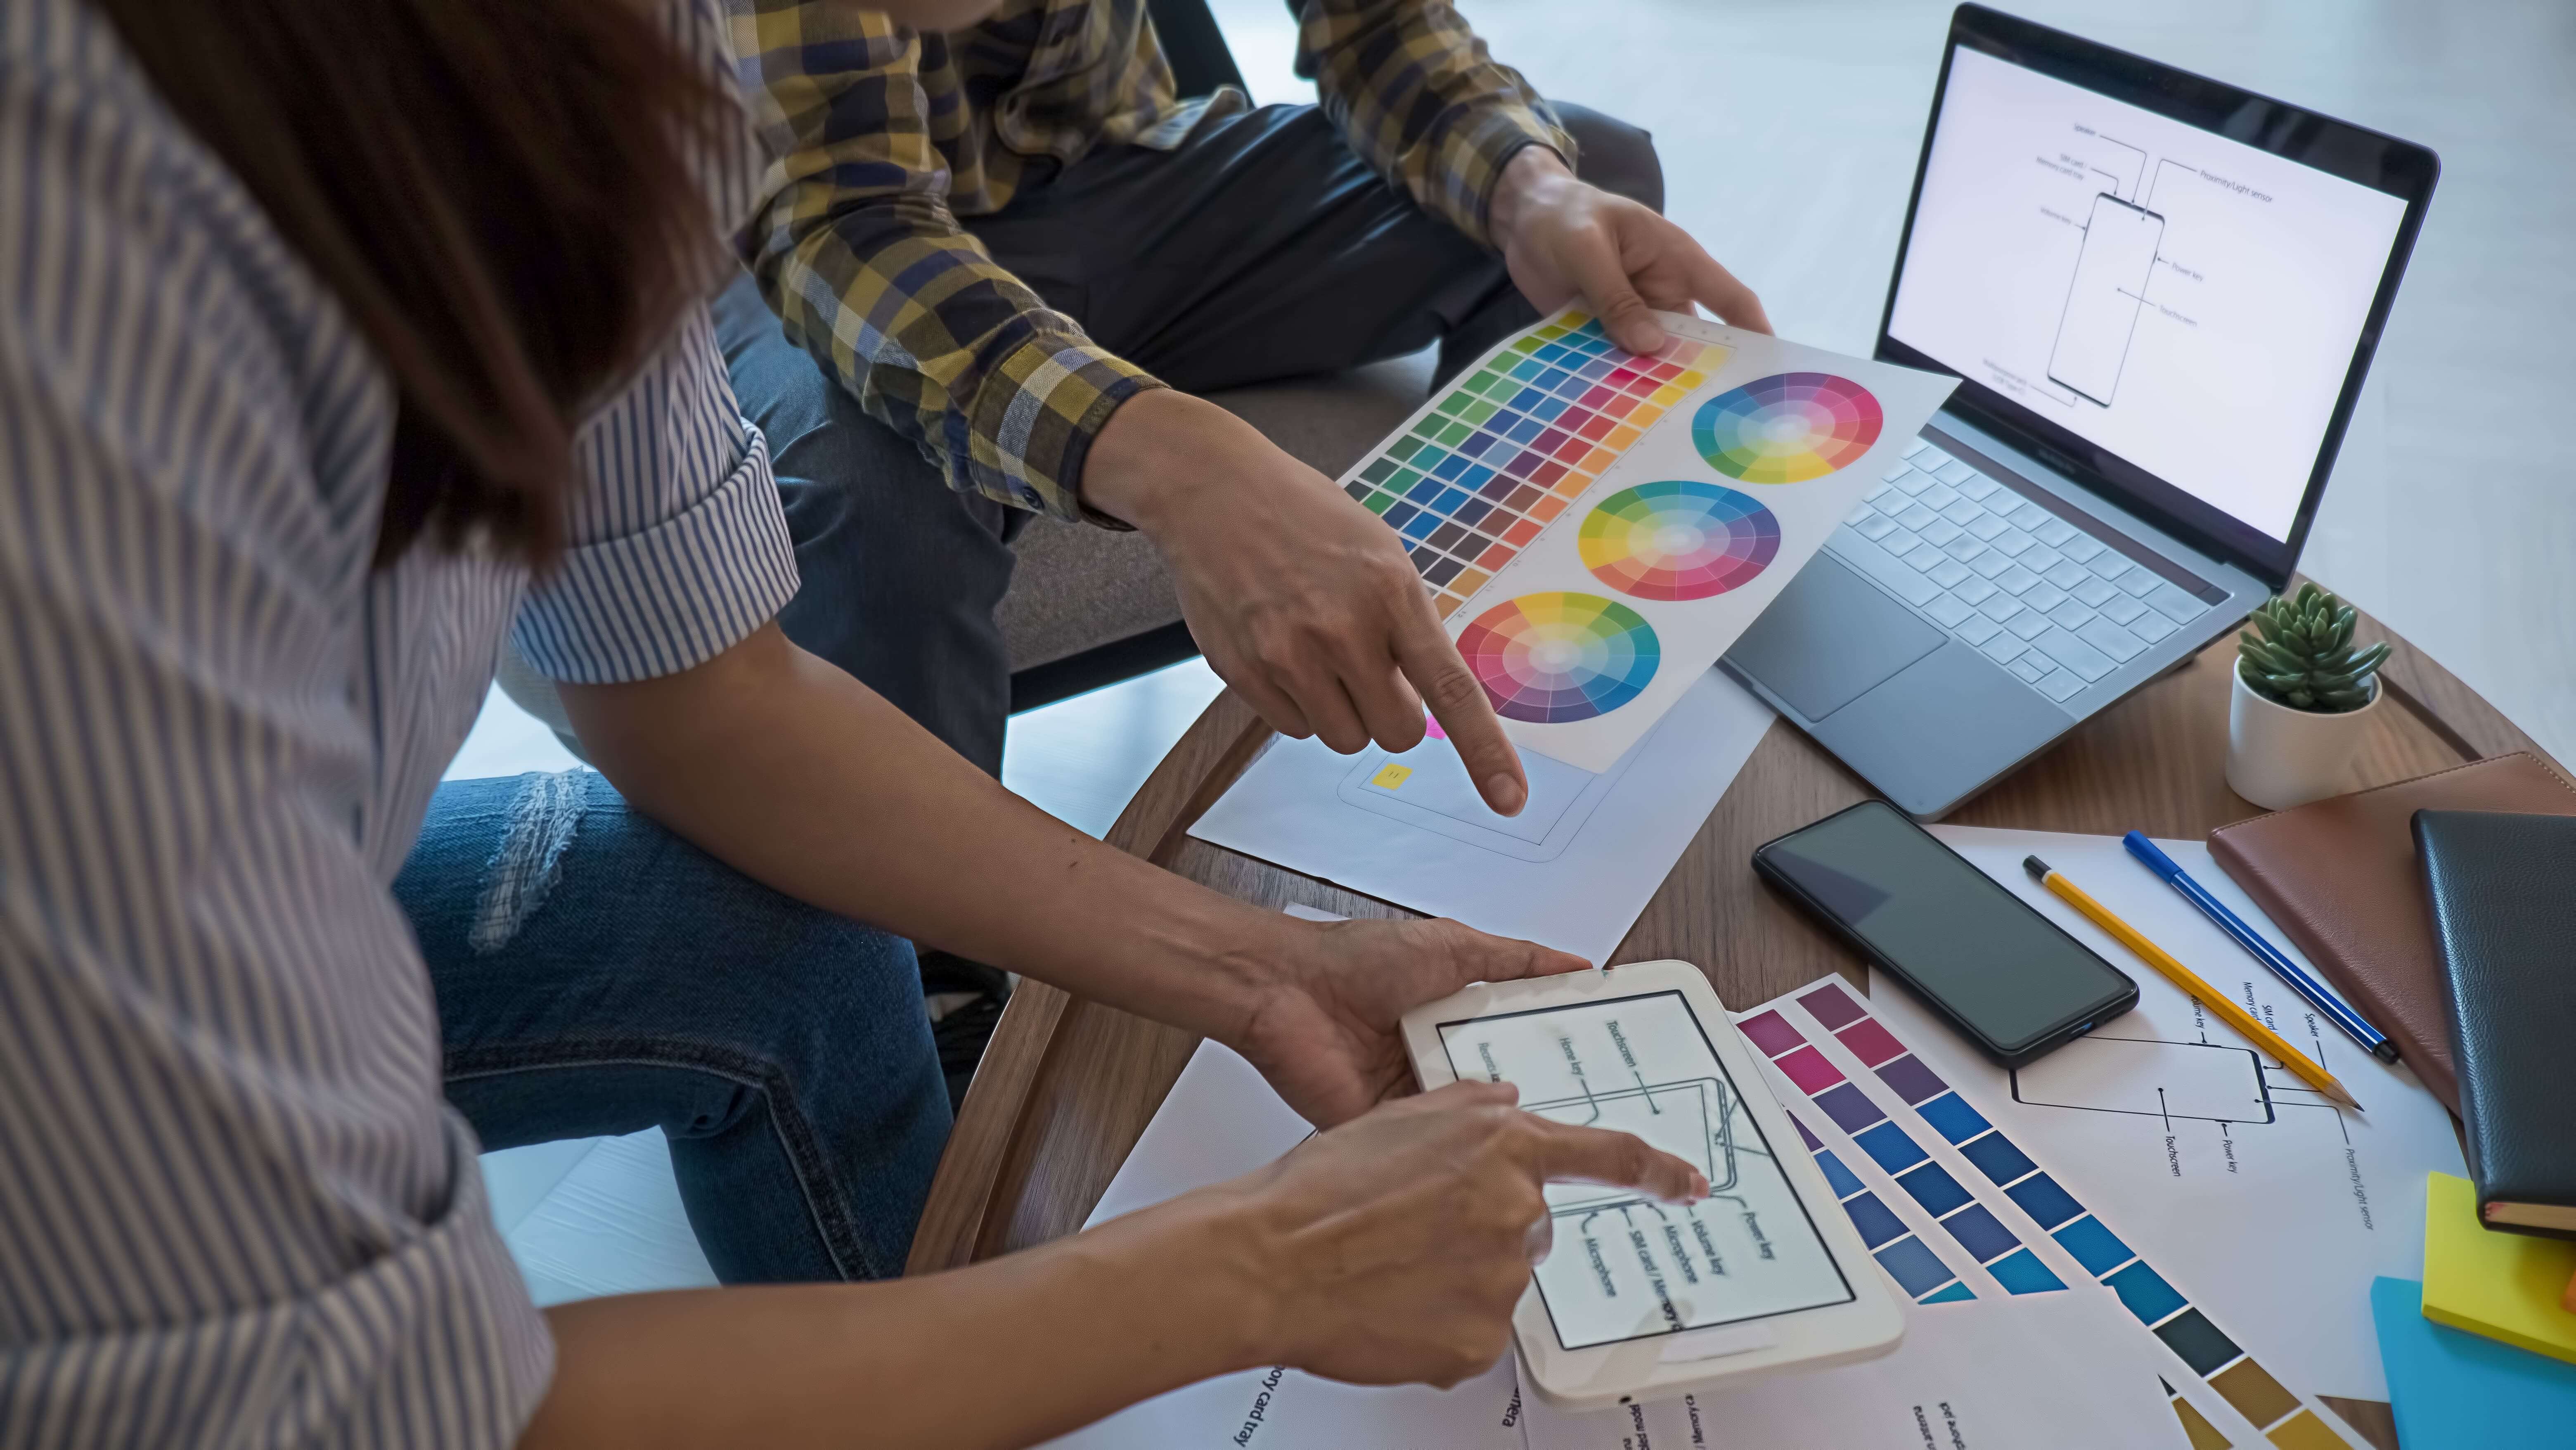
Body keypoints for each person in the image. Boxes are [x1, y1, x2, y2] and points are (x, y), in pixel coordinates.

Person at [0, 0, 1705, 1445]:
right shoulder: (90, 279)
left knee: (792, 934)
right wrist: (1255, 1268)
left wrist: (1265, 968)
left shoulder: (614, 61)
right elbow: (351, 1400)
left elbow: (696, 682)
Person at [721, 0, 1775, 794]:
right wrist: (1175, 464)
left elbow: (1381, 27)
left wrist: (1527, 186)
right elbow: (848, 221)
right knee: (869, 478)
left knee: (1590, 194)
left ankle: (1496, 707)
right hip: (800, 239)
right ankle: (926, 982)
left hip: (1122, 177)